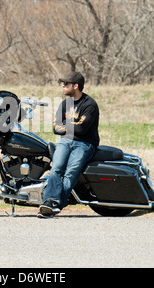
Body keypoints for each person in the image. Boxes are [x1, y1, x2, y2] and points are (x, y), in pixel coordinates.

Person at [38, 72, 100, 218]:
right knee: (55, 169)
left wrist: (65, 125)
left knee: (70, 173)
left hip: (84, 144)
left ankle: (54, 205)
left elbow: (81, 129)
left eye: (66, 84)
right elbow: (55, 128)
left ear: (76, 86)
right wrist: (71, 126)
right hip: (65, 141)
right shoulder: (65, 104)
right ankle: (49, 203)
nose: (63, 86)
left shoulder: (89, 104)